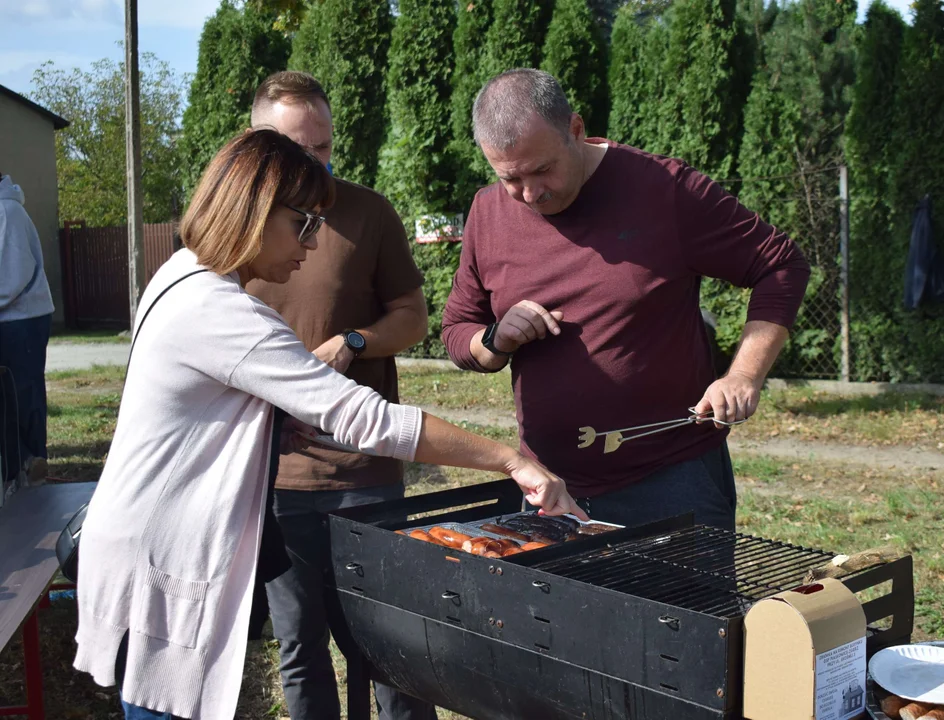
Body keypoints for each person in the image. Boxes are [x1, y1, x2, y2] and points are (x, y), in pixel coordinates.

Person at [72, 128, 584, 720]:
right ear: (257, 212)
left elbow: (193, 410)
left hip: (135, 537)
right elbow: (363, 418)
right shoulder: (224, 314)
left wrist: (263, 429)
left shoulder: (180, 273)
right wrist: (511, 458)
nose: (312, 245)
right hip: (164, 552)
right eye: (304, 224)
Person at [441, 69, 810, 531]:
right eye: (511, 178)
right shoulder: (487, 212)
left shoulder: (664, 189)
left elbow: (779, 265)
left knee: (682, 607)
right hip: (550, 487)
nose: (531, 194)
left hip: (672, 480)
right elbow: (457, 330)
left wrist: (742, 375)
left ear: (575, 129)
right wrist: (496, 340)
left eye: (543, 169)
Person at [244, 71, 435, 720]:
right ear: (254, 143)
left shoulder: (367, 212)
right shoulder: (227, 235)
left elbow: (413, 317)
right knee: (300, 646)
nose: (314, 163)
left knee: (391, 644)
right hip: (275, 477)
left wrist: (354, 340)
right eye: (297, 149)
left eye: (323, 147)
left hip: (364, 469)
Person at [0, 170, 54, 482]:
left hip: (22, 318)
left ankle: (33, 463)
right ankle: (19, 463)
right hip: (10, 318)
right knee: (7, 398)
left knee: (23, 394)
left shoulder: (8, 211)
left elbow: (12, 278)